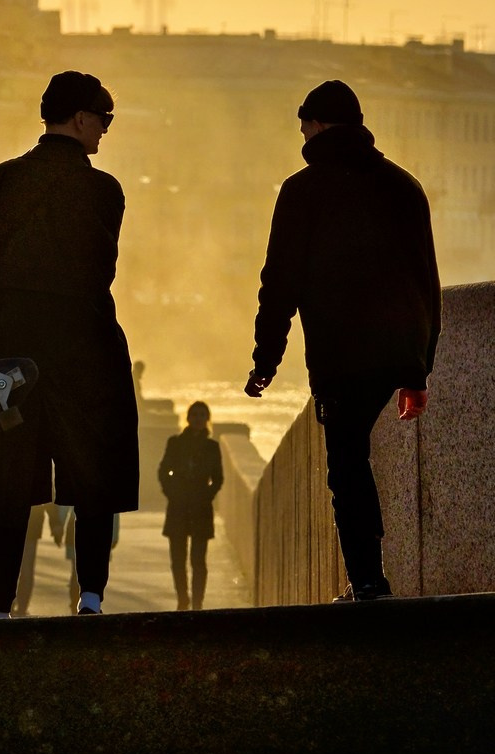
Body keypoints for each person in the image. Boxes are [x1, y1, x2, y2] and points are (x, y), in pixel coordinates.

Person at [0, 70, 139, 618]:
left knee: (7, 475)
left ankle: (0, 606)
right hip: (84, 347)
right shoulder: (104, 192)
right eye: (104, 120)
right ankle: (90, 595)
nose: (105, 132)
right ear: (80, 118)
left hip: (11, 351)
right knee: (92, 468)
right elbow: (102, 270)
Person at [244, 80, 441, 602]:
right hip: (398, 349)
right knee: (352, 461)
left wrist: (266, 359)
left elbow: (279, 282)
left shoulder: (303, 190)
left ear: (320, 125)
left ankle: (368, 581)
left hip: (340, 355)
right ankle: (369, 580)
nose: (302, 135)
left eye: (304, 124)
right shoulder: (404, 186)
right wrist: (418, 369)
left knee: (348, 464)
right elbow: (427, 282)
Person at [158, 401, 223, 610]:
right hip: (178, 506)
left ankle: (197, 602)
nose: (197, 418)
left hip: (201, 508)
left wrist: (206, 496)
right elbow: (163, 471)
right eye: (194, 414)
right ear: (188, 418)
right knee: (178, 559)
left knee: (198, 560)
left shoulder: (212, 447)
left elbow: (218, 478)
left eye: (202, 415)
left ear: (207, 419)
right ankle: (182, 600)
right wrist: (171, 493)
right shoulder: (175, 443)